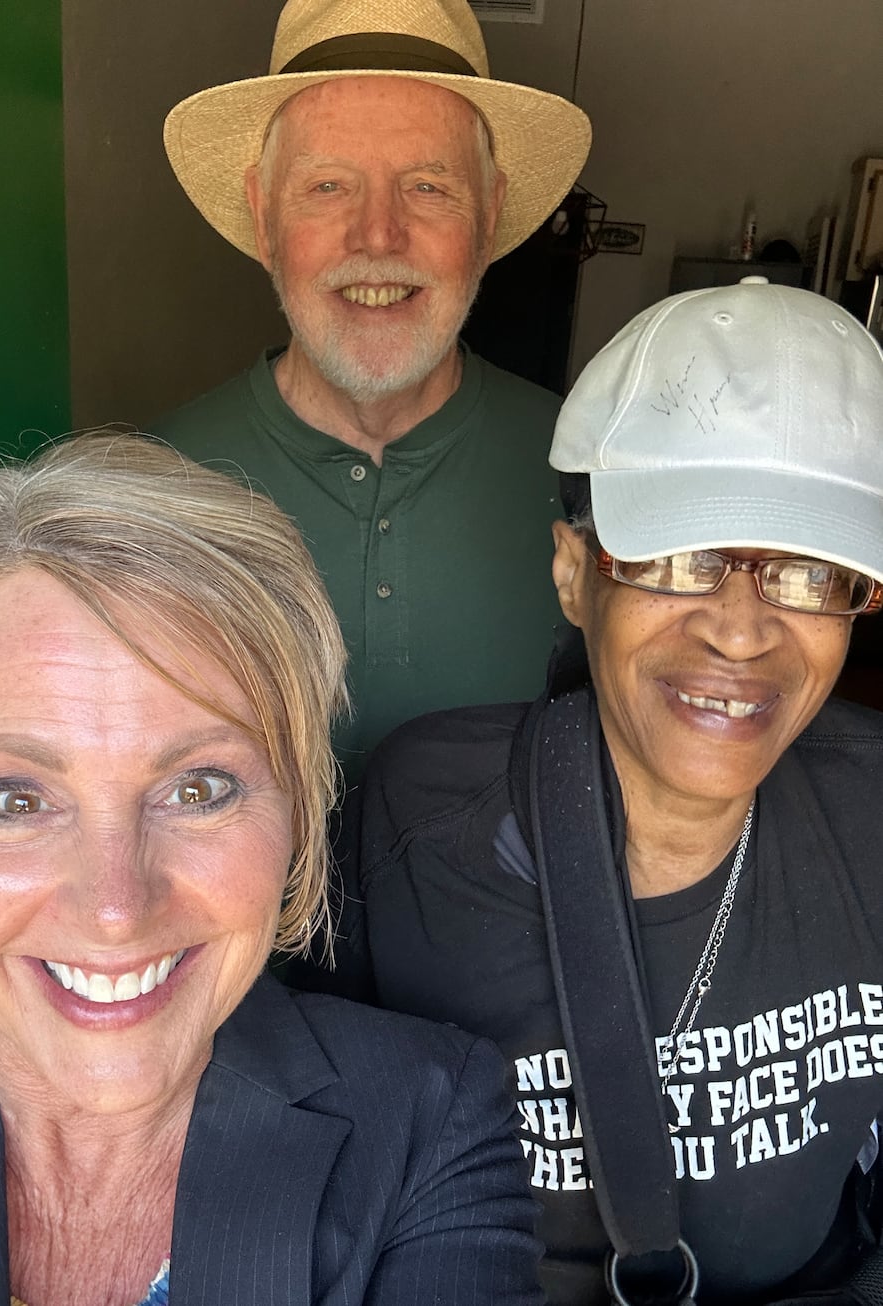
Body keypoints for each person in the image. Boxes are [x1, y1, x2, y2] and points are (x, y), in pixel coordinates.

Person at [0, 432, 544, 1306]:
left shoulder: (428, 1121)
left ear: (296, 813)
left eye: (198, 788)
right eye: (16, 800)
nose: (116, 910)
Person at [344, 280, 883, 1303]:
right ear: (570, 572)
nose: (739, 627)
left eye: (809, 572)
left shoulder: (867, 809)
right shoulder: (417, 821)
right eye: (679, 557)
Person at [156, 0, 592, 780]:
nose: (378, 235)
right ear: (263, 217)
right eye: (327, 187)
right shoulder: (148, 488)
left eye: (428, 187)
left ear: (488, 217)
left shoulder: (590, 472)